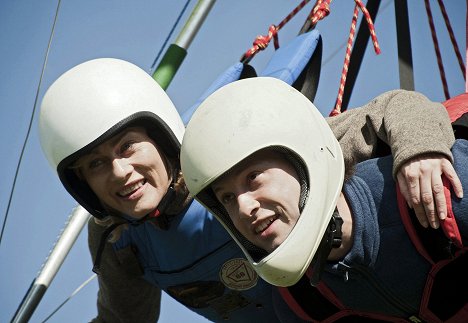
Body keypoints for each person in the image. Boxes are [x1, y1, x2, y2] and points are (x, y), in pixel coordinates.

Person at [38, 58, 307, 322]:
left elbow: (331, 144)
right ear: (83, 185)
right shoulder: (116, 238)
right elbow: (123, 318)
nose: (120, 172)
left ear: (161, 140)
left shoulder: (230, 157)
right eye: (96, 164)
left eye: (127, 146)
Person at [180, 77, 467, 322]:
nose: (243, 207)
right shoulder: (301, 305)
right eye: (227, 198)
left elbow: (395, 105)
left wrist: (418, 148)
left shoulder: (443, 193)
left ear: (303, 160)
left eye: (253, 177)